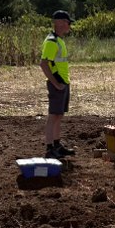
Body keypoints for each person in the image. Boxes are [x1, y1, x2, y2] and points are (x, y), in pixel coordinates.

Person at [41, 10, 75, 160]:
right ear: (59, 23)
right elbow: (44, 64)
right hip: (58, 84)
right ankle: (49, 148)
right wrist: (56, 84)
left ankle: (57, 145)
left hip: (63, 83)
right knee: (53, 116)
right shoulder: (51, 42)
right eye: (68, 22)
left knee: (59, 115)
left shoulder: (59, 40)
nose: (69, 26)